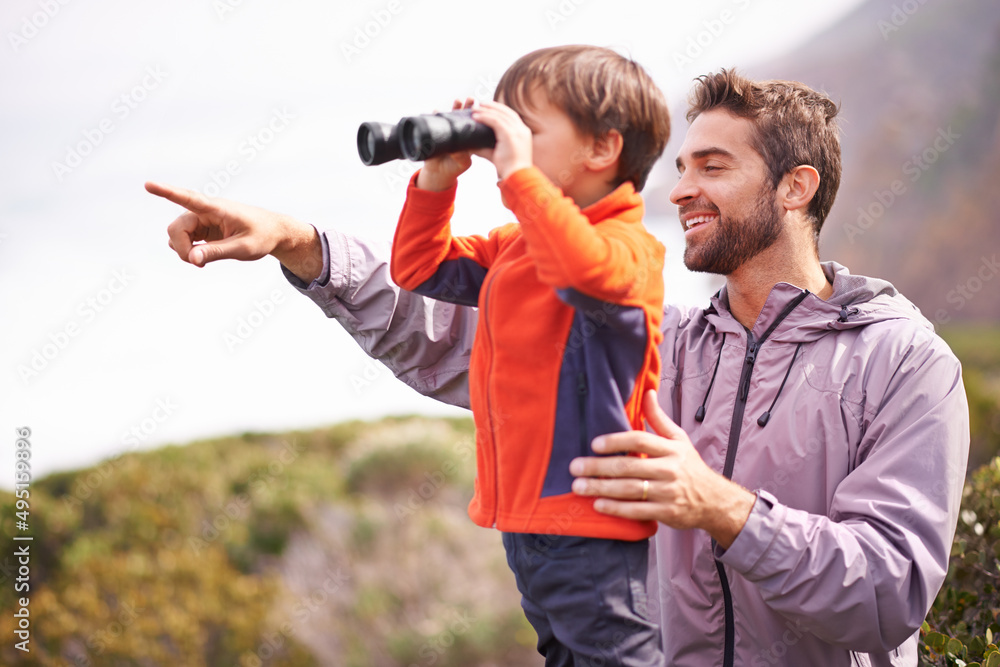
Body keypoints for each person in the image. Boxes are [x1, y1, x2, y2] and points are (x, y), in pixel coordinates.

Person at [147, 69, 970, 666]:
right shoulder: (663, 343)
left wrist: (720, 507)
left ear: (796, 189)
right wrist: (301, 242)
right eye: (680, 166)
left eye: (713, 167)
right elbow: (444, 332)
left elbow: (888, 593)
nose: (681, 188)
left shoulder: (902, 363)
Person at [388, 45, 669, 665]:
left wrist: (520, 179)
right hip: (524, 522)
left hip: (589, 522)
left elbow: (580, 272)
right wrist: (439, 177)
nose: (505, 143)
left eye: (527, 130)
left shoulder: (629, 250)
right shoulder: (517, 245)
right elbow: (418, 267)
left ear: (602, 149)